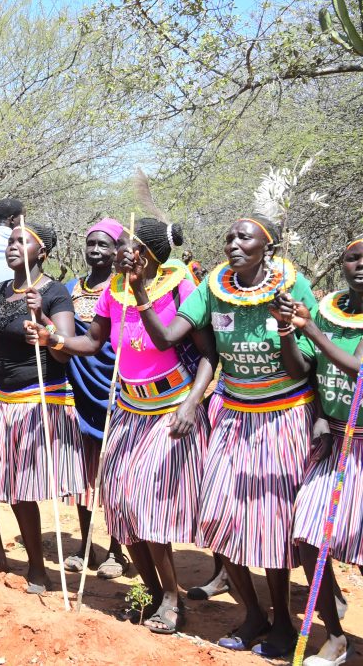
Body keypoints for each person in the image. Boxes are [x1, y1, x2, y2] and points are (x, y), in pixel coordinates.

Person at [131, 214, 316, 656]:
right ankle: (251, 613)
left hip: (283, 414)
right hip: (232, 414)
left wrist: (287, 328)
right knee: (218, 516)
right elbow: (168, 338)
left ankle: (283, 627)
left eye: (244, 237)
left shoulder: (293, 286)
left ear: (267, 247)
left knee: (272, 525)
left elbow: (302, 368)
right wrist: (139, 291)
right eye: (228, 235)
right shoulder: (214, 287)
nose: (233, 242)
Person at [28, 219, 215, 632]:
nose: (114, 253)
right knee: (120, 504)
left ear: (143, 254)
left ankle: (171, 597)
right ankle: (148, 590)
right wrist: (51, 339)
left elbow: (202, 353)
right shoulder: (113, 291)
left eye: (123, 246)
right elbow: (93, 342)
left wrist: (191, 403)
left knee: (146, 506)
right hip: (129, 407)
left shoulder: (180, 286)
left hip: (170, 409)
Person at [0, 222, 85, 592]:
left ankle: (38, 570)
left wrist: (42, 319)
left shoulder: (53, 291)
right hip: (0, 399)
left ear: (41, 253)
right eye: (10, 241)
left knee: (21, 489)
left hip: (37, 399)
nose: (13, 246)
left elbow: (65, 347)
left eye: (22, 241)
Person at [276, 237, 363, 666]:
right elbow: (310, 369)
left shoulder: (320, 319)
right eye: (352, 258)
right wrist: (290, 332)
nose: (361, 265)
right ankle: (334, 636)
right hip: (336, 439)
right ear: (341, 264)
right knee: (310, 537)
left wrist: (309, 327)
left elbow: (358, 367)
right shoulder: (329, 308)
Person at [61, 220, 129, 578]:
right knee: (83, 471)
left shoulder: (123, 290)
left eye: (105, 245)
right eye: (92, 244)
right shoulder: (73, 288)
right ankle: (85, 545)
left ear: (118, 249)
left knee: (111, 475)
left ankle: (117, 551)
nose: (97, 251)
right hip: (79, 387)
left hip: (115, 388)